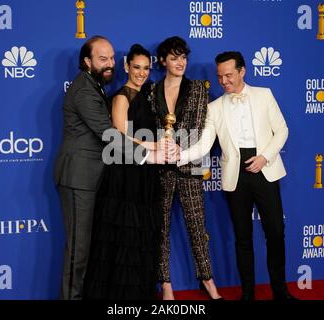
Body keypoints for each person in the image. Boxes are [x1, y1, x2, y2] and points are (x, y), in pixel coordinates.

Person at [176, 51, 296, 300]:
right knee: (242, 238)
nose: (224, 81)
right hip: (235, 176)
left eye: (229, 75)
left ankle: (280, 292)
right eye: (220, 77)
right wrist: (178, 156)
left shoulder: (264, 95)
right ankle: (248, 293)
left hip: (265, 169)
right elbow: (204, 145)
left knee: (275, 232)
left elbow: (282, 130)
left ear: (242, 71)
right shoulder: (215, 107)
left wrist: (265, 157)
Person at [53, 36, 164, 300]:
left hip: (93, 178)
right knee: (77, 253)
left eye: (112, 58)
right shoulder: (84, 90)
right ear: (86, 61)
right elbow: (108, 134)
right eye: (103, 59)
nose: (110, 63)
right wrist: (150, 156)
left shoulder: (96, 85)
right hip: (79, 177)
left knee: (85, 251)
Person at [83, 44, 162, 300]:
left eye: (146, 68)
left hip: (145, 174)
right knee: (123, 235)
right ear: (127, 67)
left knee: (141, 236)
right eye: (136, 67)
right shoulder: (121, 96)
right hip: (124, 175)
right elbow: (119, 137)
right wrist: (155, 146)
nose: (141, 73)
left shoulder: (149, 95)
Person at [147, 36, 222, 300]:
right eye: (174, 57)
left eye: (184, 57)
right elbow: (149, 130)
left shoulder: (199, 89)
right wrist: (160, 150)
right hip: (160, 169)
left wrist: (182, 151)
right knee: (161, 228)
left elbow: (202, 129)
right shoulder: (151, 90)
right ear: (163, 60)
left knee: (197, 227)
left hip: (190, 165)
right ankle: (165, 283)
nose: (180, 62)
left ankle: (208, 280)